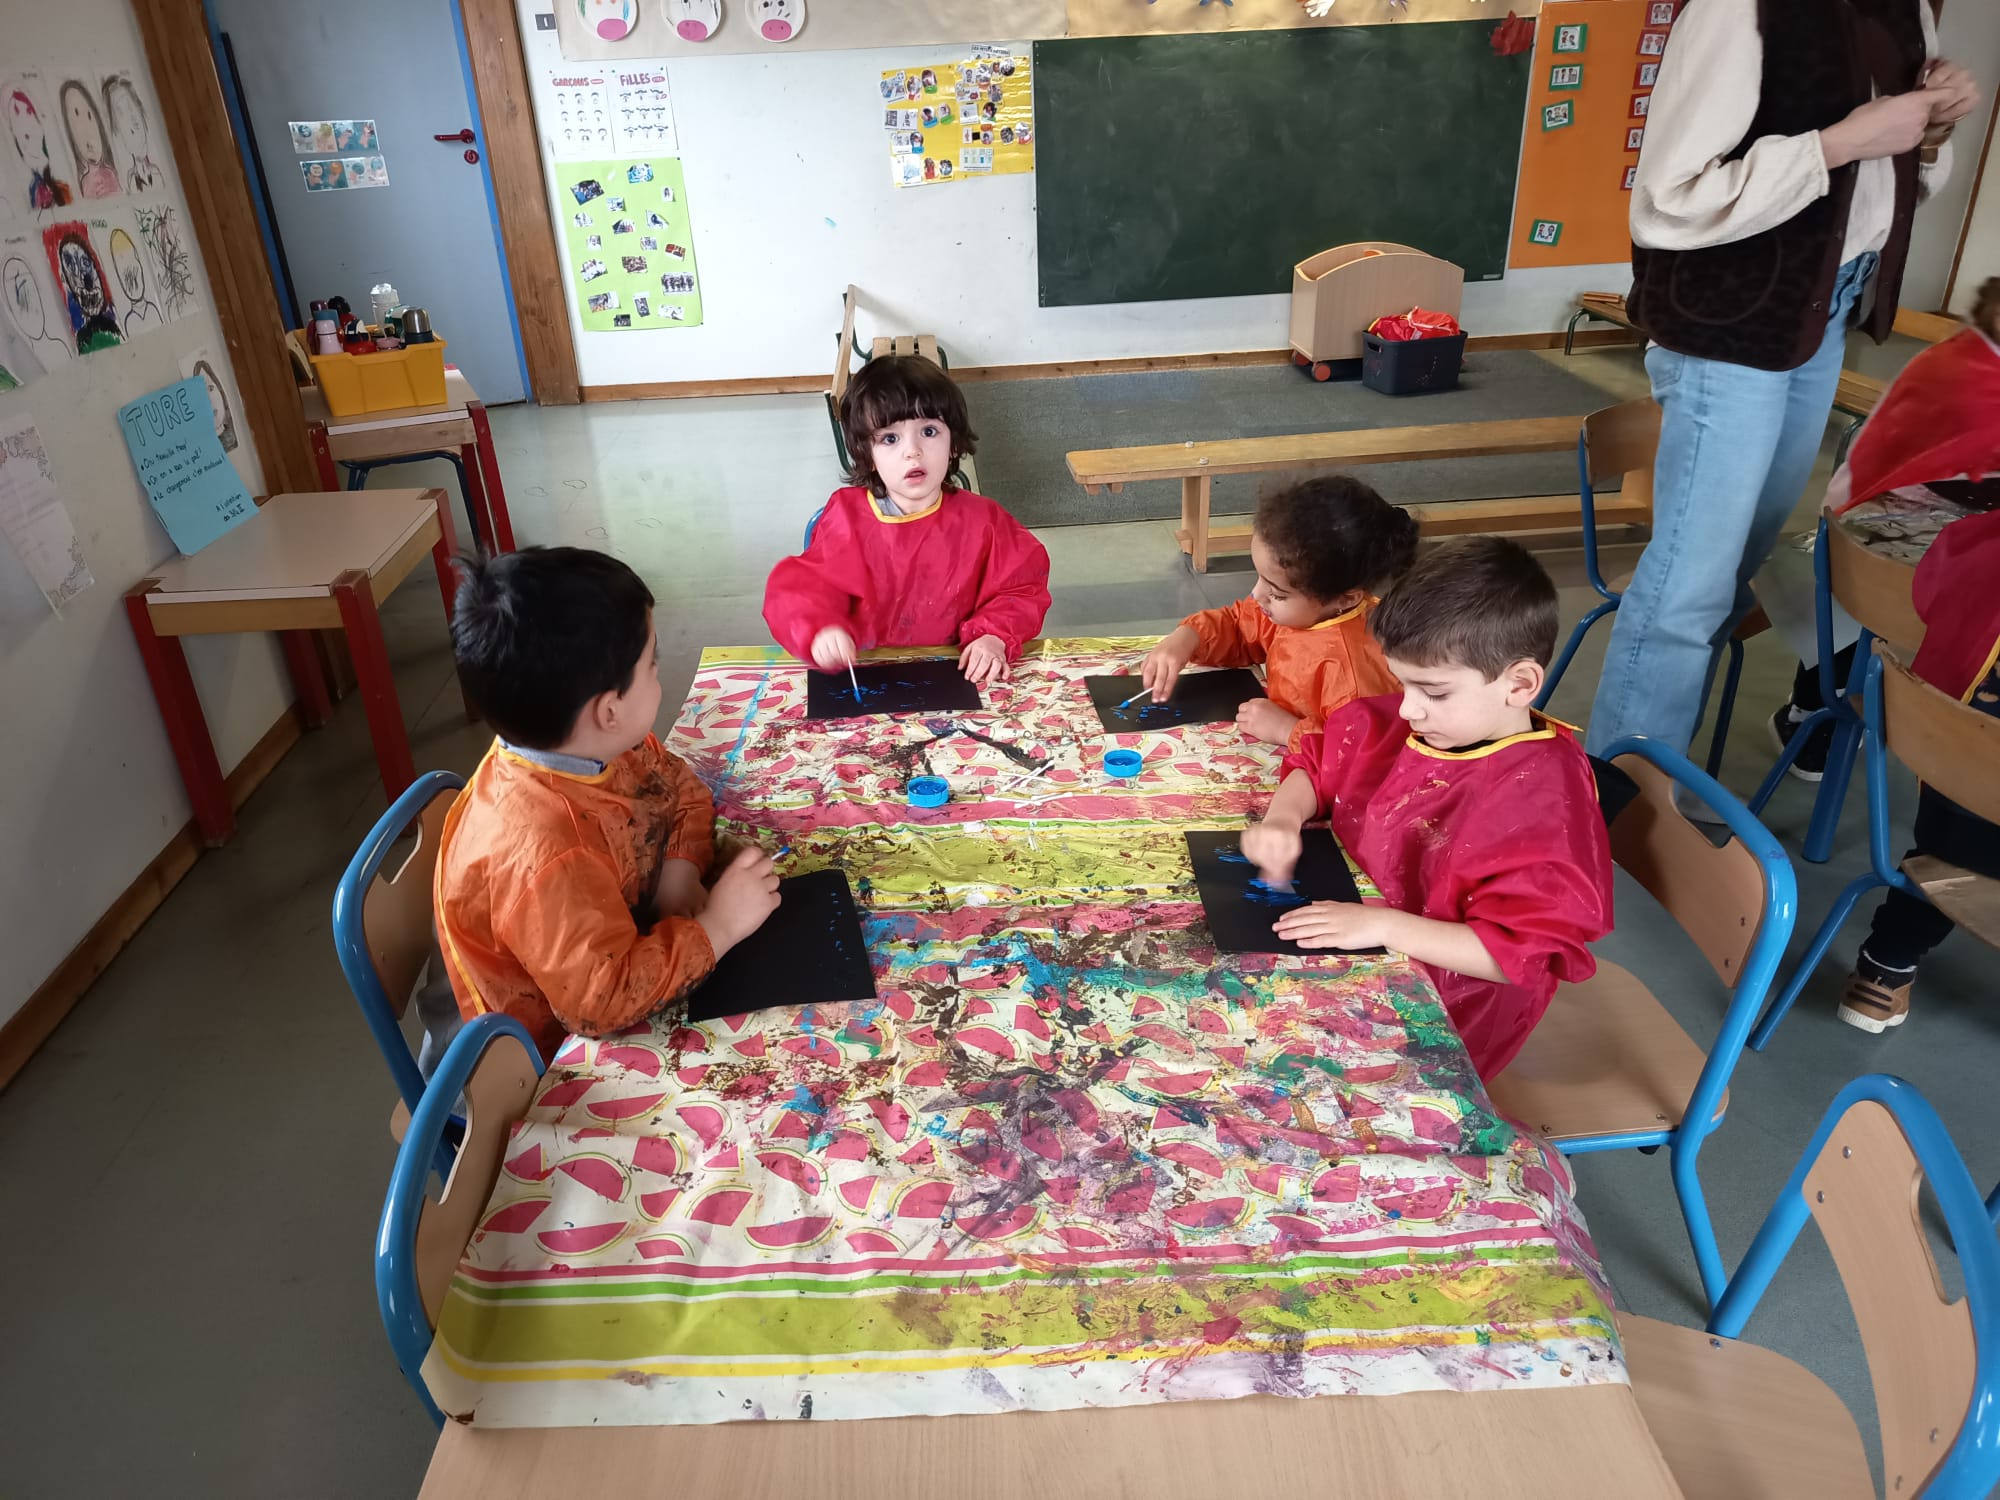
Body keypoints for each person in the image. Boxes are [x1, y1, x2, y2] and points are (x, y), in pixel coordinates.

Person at [1586, 0, 1978, 766]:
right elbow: (1668, 199)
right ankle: (1622, 801)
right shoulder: (1738, 8)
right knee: (1691, 588)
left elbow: (1883, 191)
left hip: (1822, 308)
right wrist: (1840, 143)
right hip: (1731, 322)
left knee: (1730, 571)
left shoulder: (1905, 9)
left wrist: (1929, 130)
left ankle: (1653, 774)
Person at [1243, 537, 1614, 1079]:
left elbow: (1515, 954)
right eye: (1402, 684)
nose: (1408, 710)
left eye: (1433, 692)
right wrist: (1283, 817)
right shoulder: (1422, 722)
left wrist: (1383, 926)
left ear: (1519, 684)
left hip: (1452, 1004)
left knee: (1283, 1070)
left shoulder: (1542, 802)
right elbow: (1320, 761)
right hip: (1368, 935)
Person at [436, 547, 781, 1061]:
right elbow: (602, 1002)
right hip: (539, 1061)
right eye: (652, 664)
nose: (659, 673)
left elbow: (676, 787)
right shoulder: (543, 854)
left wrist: (679, 870)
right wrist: (719, 927)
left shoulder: (587, 743)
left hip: (614, 942)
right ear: (609, 710)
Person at [1767, 277, 2000, 777]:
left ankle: (1823, 705)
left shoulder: (1973, 355)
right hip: (1877, 515)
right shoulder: (1968, 371)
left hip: (1907, 514)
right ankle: (1818, 709)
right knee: (1873, 605)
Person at [764, 354, 1050, 685]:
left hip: (955, 677)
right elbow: (804, 589)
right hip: (867, 678)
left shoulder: (985, 521)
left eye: (929, 431)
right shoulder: (847, 518)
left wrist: (994, 635)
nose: (912, 451)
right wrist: (820, 628)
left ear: (953, 443)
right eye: (890, 438)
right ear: (868, 455)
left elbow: (1021, 589)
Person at [1835, 507, 2000, 1033]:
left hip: (1943, 780)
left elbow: (1928, 593)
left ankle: (1883, 970)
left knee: (1951, 841)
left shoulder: (1977, 541)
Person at [1138, 476, 1416, 749]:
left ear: (1345, 598)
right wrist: (1189, 637)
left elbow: (1358, 754)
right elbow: (1239, 625)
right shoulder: (1300, 613)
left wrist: (1288, 730)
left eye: (1277, 593)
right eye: (1259, 578)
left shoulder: (1353, 675)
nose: (1256, 594)